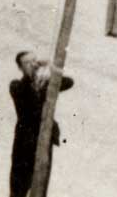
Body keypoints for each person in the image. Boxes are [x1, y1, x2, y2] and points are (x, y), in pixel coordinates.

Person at [9, 51, 73, 197]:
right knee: (18, 188)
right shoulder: (16, 85)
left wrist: (51, 67)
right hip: (24, 145)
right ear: (20, 68)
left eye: (35, 61)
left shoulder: (46, 86)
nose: (33, 65)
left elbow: (69, 82)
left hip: (43, 142)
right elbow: (27, 98)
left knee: (40, 187)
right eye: (28, 63)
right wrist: (35, 81)